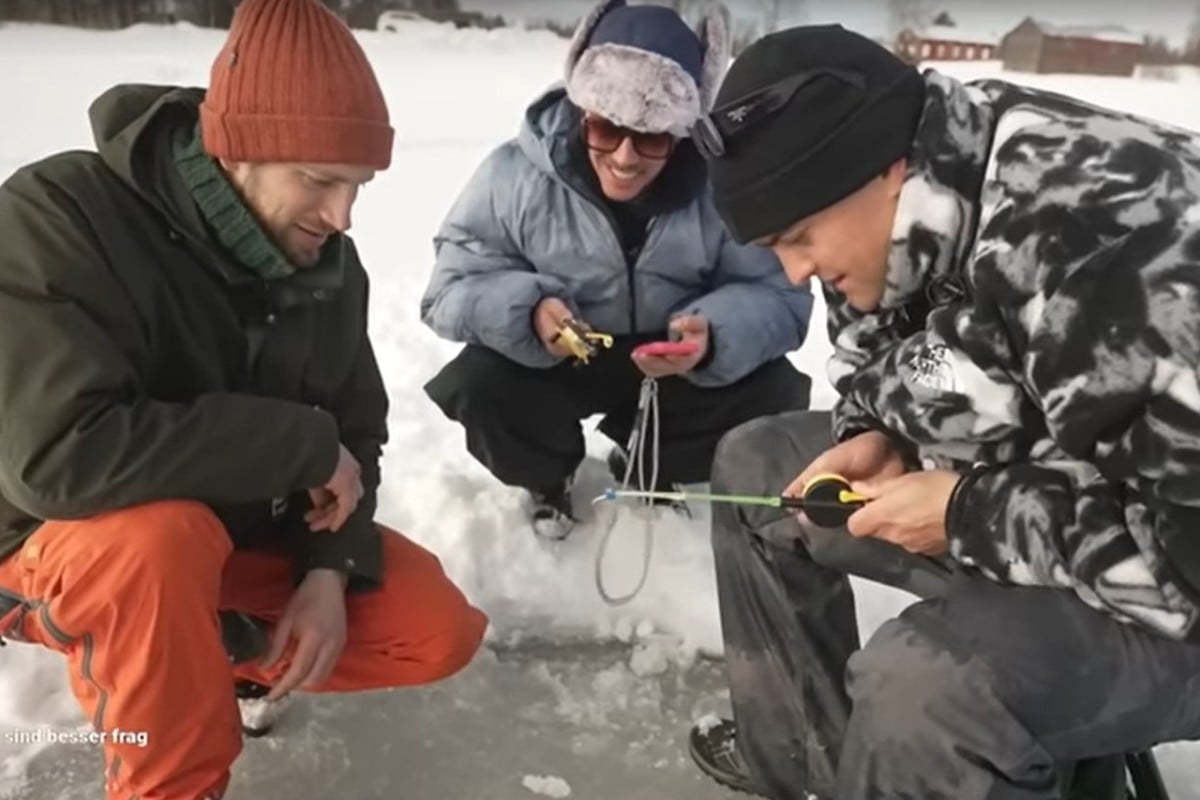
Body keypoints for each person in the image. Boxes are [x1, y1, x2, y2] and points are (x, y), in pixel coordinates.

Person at [684, 23, 1200, 800]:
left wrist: (968, 515)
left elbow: (1184, 563)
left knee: (924, 693)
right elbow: (875, 358)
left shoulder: (1102, 252)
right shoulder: (905, 182)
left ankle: (915, 757)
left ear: (889, 170)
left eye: (797, 238)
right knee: (760, 471)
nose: (794, 273)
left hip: (1178, 572)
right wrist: (875, 434)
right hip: (1062, 485)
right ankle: (822, 773)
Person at [0, 1, 487, 798]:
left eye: (357, 186)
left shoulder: (329, 262)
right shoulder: (57, 216)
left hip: (226, 546)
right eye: (320, 180)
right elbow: (60, 458)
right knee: (160, 541)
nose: (342, 216)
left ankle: (211, 660)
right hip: (54, 545)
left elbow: (355, 432)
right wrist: (297, 446)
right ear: (237, 150)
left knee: (433, 629)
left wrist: (328, 571)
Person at [420, 0, 814, 540]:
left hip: (671, 364)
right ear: (585, 111)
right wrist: (529, 312)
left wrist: (712, 336)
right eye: (608, 129)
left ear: (681, 132)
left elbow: (780, 296)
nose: (626, 157)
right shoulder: (512, 174)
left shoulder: (725, 186)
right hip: (561, 352)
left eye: (651, 137)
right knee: (479, 384)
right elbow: (448, 290)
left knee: (776, 388)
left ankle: (651, 466)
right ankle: (548, 478)